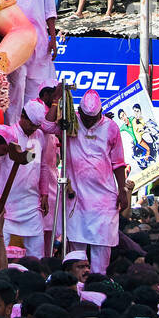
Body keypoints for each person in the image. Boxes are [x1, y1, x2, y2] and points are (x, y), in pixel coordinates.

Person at [65, 89, 128, 273]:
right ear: (79, 111)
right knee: (76, 248)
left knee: (102, 247)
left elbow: (118, 163)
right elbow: (47, 125)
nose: (89, 122)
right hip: (76, 196)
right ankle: (76, 287)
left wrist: (122, 191)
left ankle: (98, 285)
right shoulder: (70, 122)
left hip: (103, 198)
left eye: (93, 118)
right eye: (86, 118)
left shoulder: (111, 127)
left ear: (100, 112)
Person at [0, 0, 57, 119]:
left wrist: (52, 37)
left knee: (37, 89)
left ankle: (36, 133)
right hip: (14, 42)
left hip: (39, 41)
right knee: (15, 87)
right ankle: (13, 133)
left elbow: (49, 9)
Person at [0, 100, 56, 256]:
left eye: (37, 126)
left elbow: (44, 166)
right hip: (7, 203)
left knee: (37, 252)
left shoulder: (39, 135)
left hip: (31, 203)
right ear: (23, 117)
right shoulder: (8, 134)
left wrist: (44, 193)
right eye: (32, 125)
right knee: (0, 251)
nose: (34, 129)